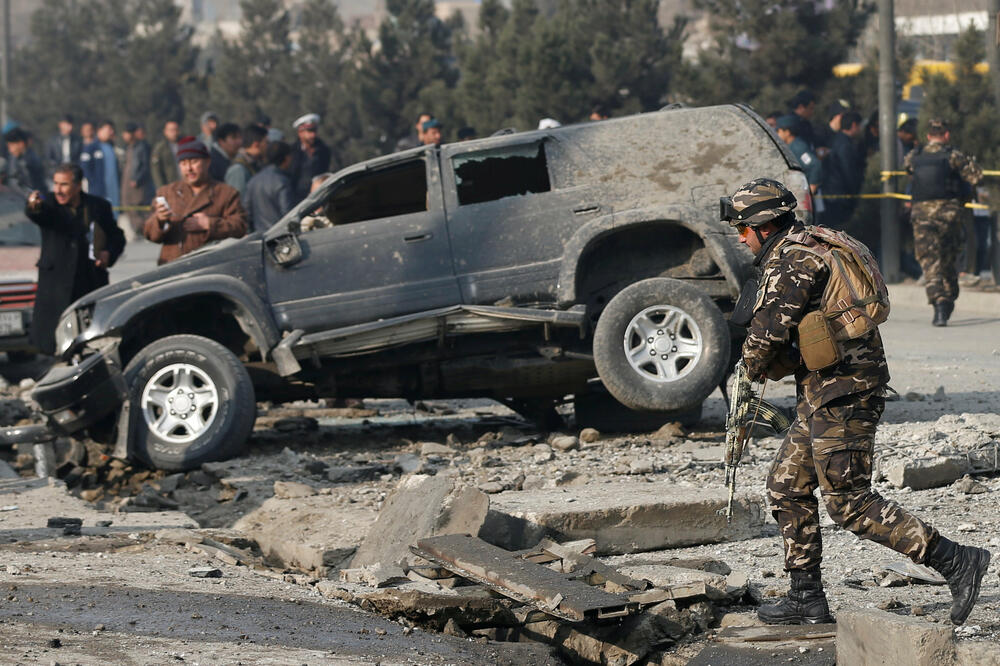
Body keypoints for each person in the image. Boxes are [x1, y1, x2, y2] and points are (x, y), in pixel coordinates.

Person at [723, 178, 991, 627]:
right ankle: (805, 597)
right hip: (824, 391)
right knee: (787, 485)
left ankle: (956, 560)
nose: (739, 238)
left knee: (849, 502)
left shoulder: (795, 259)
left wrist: (746, 371)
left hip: (844, 393)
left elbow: (766, 335)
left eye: (742, 228)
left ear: (763, 226)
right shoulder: (810, 243)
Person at [24, 164, 125, 355]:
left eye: (64, 185)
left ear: (78, 186)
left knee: (92, 344)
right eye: (56, 184)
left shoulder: (98, 206)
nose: (58, 190)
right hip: (55, 287)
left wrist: (108, 253)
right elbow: (37, 213)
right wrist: (33, 206)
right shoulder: (49, 204)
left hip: (89, 282)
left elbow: (117, 237)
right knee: (54, 346)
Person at [903, 119, 983, 326]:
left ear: (928, 136)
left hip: (922, 216)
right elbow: (976, 176)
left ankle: (939, 301)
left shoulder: (914, 155)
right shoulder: (954, 155)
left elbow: (909, 170)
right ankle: (946, 298)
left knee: (929, 260)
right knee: (948, 258)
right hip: (949, 216)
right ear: (946, 135)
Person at [143, 137, 247, 264]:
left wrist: (209, 224)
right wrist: (159, 220)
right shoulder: (167, 193)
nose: (189, 168)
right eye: (183, 163)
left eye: (194, 162)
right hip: (172, 266)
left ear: (207, 162)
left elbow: (240, 227)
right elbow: (149, 234)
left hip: (210, 266)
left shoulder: (226, 193)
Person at [819, 110, 862, 231]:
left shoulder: (836, 139)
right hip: (839, 195)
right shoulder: (845, 145)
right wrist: (853, 191)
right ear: (854, 125)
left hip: (831, 193)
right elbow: (848, 170)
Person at [242, 140, 293, 232]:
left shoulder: (254, 180)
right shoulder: (282, 181)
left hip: (259, 234)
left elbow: (247, 211)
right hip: (278, 234)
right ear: (287, 158)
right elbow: (287, 213)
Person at [289, 113, 331, 203]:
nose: (313, 135)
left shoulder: (323, 150)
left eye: (314, 131)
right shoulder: (292, 151)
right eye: (309, 131)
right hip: (297, 198)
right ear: (300, 132)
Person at [775, 115, 822, 194]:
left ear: (787, 132)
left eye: (778, 131)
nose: (777, 133)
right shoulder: (790, 146)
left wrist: (812, 187)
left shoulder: (799, 147)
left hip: (803, 192)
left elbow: (815, 165)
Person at [121, 122, 154, 229]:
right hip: (127, 185)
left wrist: (137, 179)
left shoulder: (142, 147)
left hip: (138, 186)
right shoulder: (128, 148)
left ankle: (146, 229)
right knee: (129, 207)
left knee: (140, 208)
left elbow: (145, 166)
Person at [225, 123, 268, 194]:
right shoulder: (238, 170)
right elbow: (239, 198)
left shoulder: (254, 164)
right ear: (256, 145)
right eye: (266, 142)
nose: (268, 146)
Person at [4, 127, 47, 192]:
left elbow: (34, 185)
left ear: (21, 144)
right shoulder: (14, 158)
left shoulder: (30, 161)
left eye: (11, 146)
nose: (10, 150)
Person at [151, 119, 181, 189]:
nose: (174, 133)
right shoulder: (160, 148)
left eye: (176, 130)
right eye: (171, 130)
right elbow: (156, 170)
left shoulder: (185, 144)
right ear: (165, 132)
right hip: (170, 185)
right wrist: (161, 188)